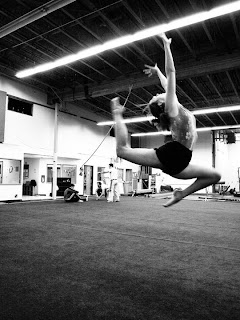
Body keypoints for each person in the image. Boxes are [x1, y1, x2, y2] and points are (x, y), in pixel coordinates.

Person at [110, 32, 221, 207]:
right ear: (163, 103)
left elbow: (166, 83)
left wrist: (157, 71)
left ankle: (180, 194)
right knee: (122, 151)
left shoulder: (174, 106)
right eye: (156, 96)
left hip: (181, 161)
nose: (157, 93)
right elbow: (172, 73)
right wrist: (166, 45)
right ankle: (117, 114)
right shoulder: (171, 109)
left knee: (215, 176)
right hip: (175, 155)